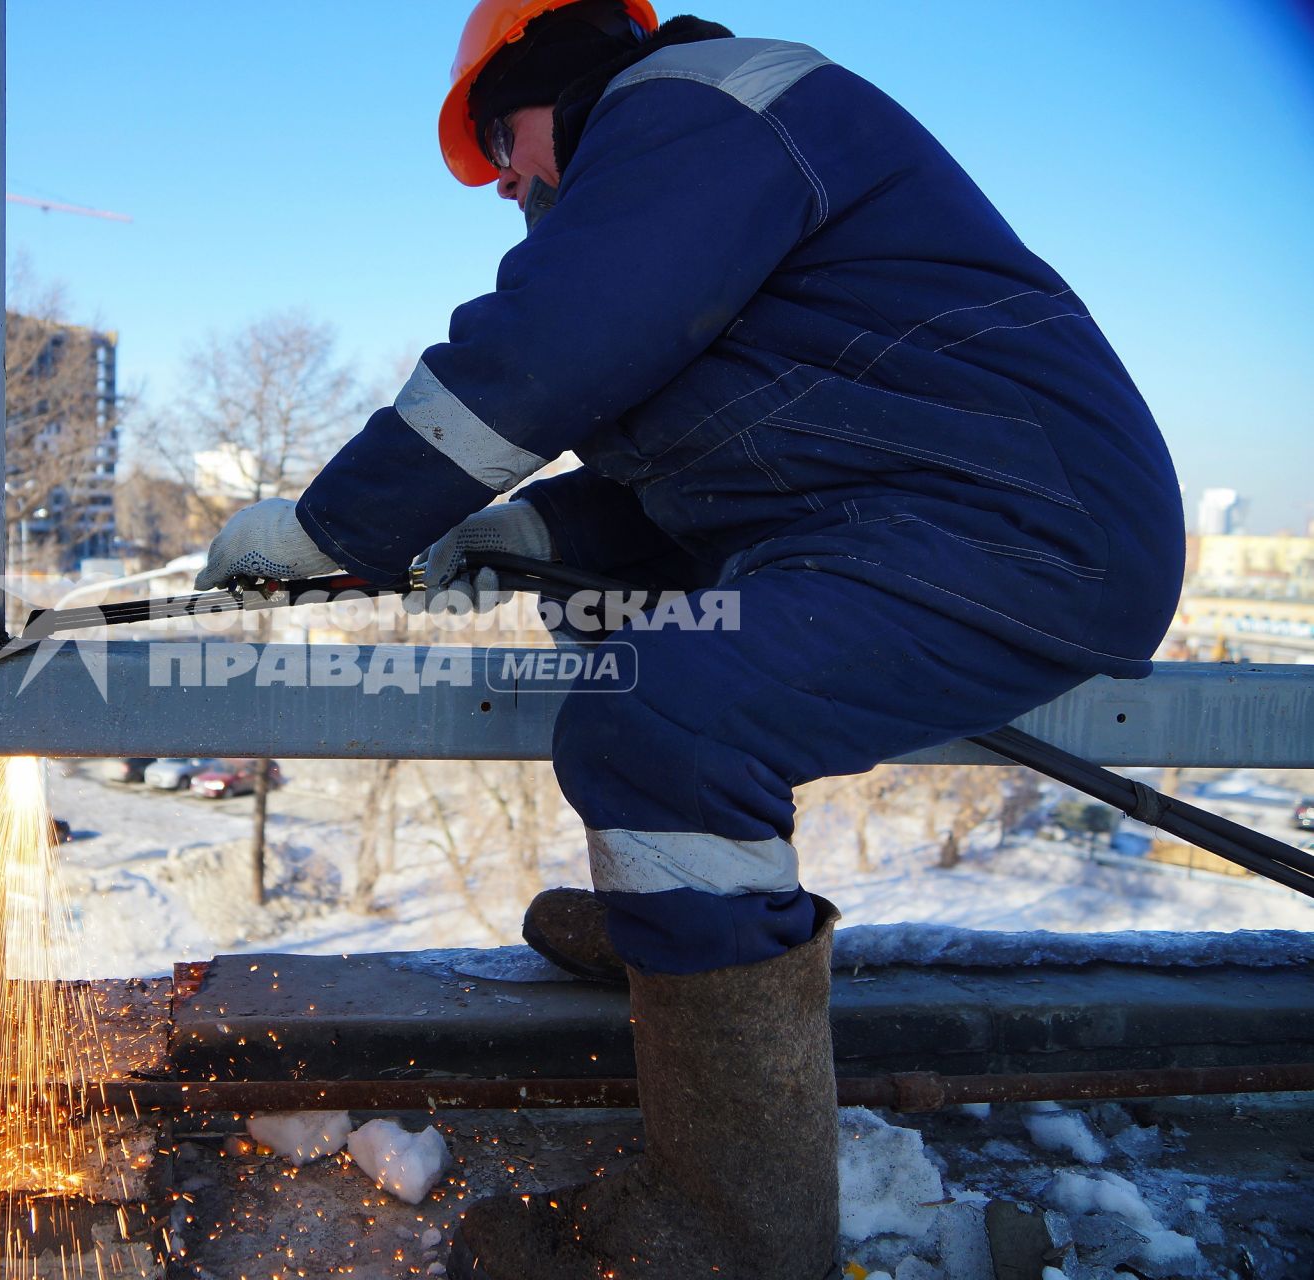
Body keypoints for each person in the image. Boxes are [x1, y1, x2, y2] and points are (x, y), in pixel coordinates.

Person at [195, 4, 1185, 1276]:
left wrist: (342, 522)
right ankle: (689, 936)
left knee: (662, 718)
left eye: (500, 135)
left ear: (556, 67)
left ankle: (735, 1229)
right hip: (905, 514)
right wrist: (521, 535)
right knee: (638, 657)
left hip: (1021, 526)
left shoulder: (698, 104)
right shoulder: (699, 165)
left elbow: (555, 339)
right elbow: (704, 472)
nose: (503, 176)